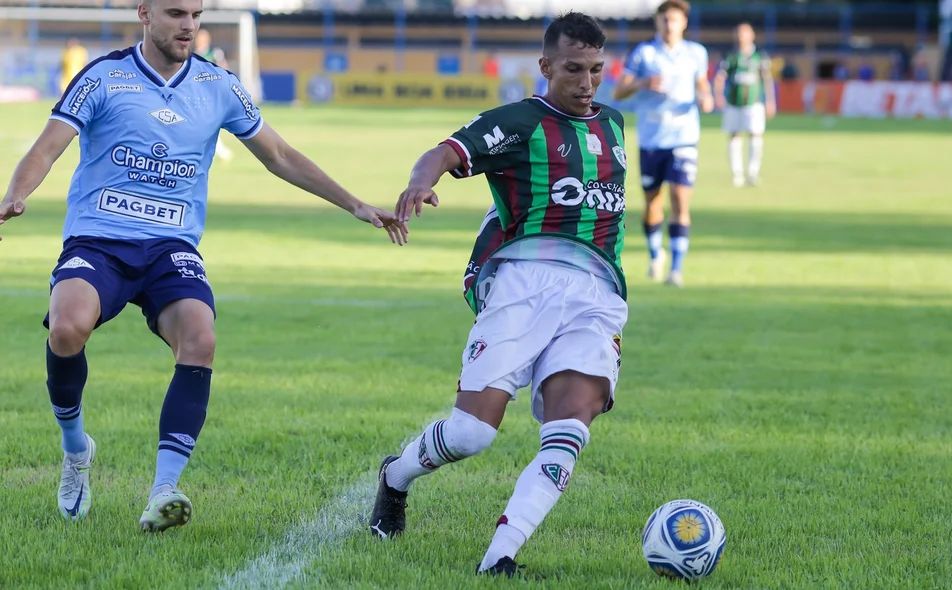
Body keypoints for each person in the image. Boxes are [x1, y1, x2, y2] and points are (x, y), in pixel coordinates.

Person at [0, 0, 406, 532]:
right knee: (67, 327)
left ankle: (163, 489)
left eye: (195, 13)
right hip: (101, 239)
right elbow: (47, 148)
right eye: (175, 13)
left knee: (200, 339)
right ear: (145, 14)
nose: (188, 24)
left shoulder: (220, 85)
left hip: (171, 248)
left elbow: (279, 156)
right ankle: (76, 450)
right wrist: (15, 196)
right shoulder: (104, 76)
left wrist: (354, 203)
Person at [367, 11, 628, 577]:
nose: (586, 83)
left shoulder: (614, 125)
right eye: (573, 69)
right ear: (545, 67)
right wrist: (420, 182)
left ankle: (500, 558)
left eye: (596, 70)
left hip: (597, 294)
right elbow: (444, 152)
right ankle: (395, 477)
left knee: (570, 427)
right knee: (471, 433)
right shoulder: (520, 122)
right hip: (523, 283)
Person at [612, 0, 713, 288]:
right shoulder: (644, 54)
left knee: (681, 200)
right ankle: (656, 255)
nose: (669, 25)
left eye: (675, 20)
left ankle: (676, 269)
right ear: (657, 22)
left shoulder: (696, 53)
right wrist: (643, 84)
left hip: (684, 138)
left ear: (684, 23)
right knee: (652, 203)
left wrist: (706, 96)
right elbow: (619, 91)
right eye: (665, 19)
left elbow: (702, 83)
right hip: (652, 139)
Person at [714, 22, 776, 188]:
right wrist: (718, 95)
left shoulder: (760, 56)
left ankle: (752, 173)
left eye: (745, 33)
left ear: (752, 35)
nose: (741, 36)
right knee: (734, 136)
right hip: (734, 103)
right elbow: (719, 77)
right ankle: (737, 174)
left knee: (755, 136)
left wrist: (770, 101)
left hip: (754, 104)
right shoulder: (730, 56)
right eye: (739, 33)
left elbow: (767, 80)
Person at [193, 28, 234, 162]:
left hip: (211, 95)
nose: (200, 41)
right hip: (195, 95)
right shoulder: (191, 55)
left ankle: (220, 150)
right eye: (199, 38)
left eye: (203, 38)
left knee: (208, 122)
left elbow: (224, 70)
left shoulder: (215, 54)